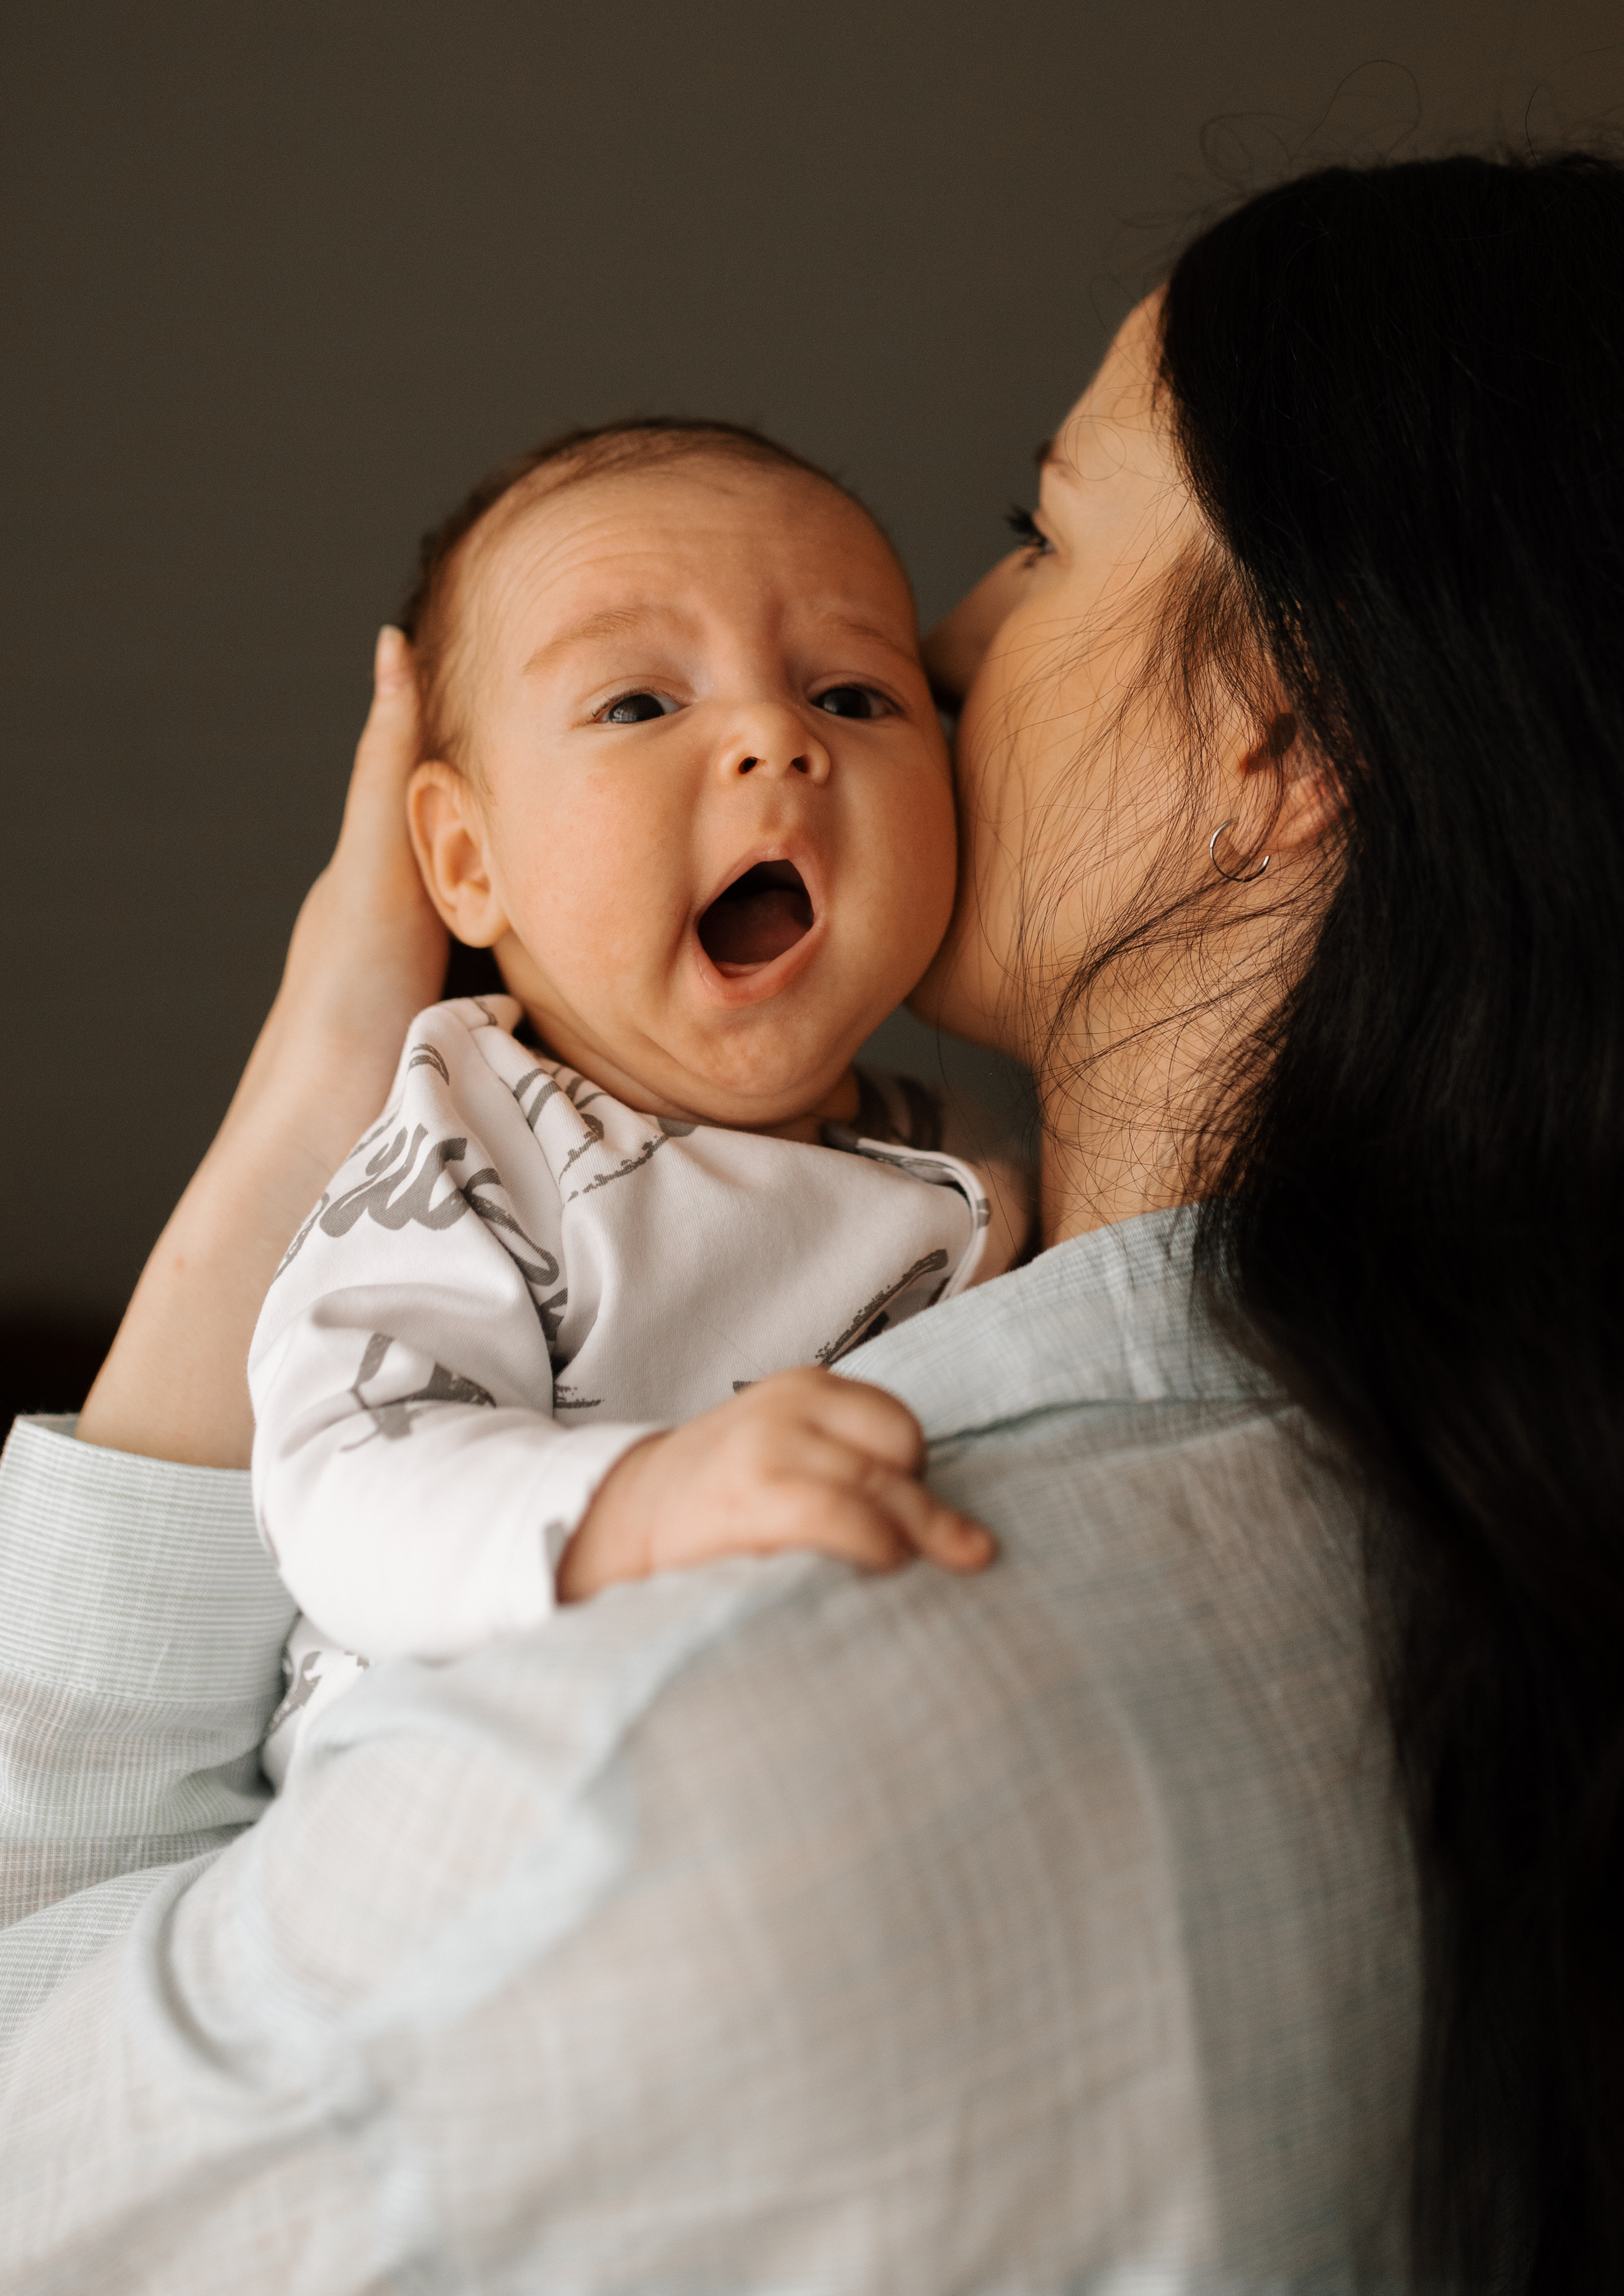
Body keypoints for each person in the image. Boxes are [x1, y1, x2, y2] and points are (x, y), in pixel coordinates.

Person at [1, 150, 1620, 2293]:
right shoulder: (1479, 1543)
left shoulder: (677, 1750)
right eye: (643, 699)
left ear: (1278, 730)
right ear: (461, 847)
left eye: (1042, 534)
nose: (939, 649)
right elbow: (374, 1432)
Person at [250, 419, 1017, 1782]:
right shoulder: (471, 1140)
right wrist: (632, 1501)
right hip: (454, 1790)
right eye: (639, 704)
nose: (776, 737)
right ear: (467, 858)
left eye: (851, 696)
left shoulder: (976, 1159)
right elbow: (343, 1480)